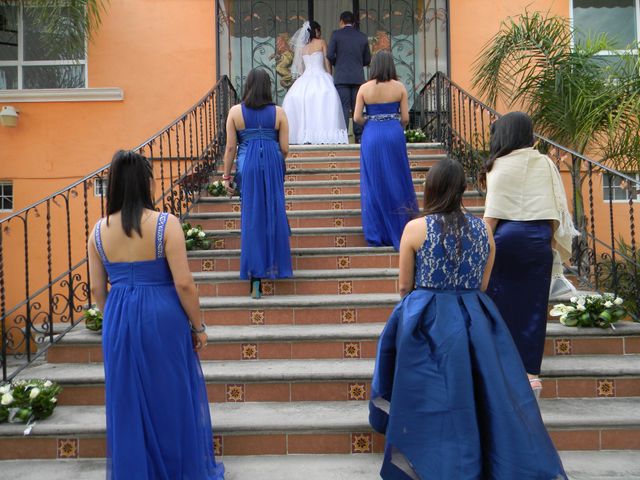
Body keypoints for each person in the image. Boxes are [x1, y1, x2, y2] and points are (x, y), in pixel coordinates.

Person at [369, 158, 567, 480]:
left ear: (430, 189)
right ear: (462, 190)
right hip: (475, 316)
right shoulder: (483, 230)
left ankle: (425, 459)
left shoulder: (415, 229)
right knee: (480, 394)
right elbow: (484, 284)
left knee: (427, 393)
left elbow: (405, 286)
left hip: (427, 317)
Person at [87, 150, 225, 480]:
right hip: (162, 317)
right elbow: (184, 283)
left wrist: (117, 320)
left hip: (119, 316)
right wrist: (199, 326)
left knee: (128, 401)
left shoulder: (97, 232)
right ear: (146, 182)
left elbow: (96, 291)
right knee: (170, 396)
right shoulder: (166, 224)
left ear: (116, 185)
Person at [483, 111, 579, 399]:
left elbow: (491, 219)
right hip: (538, 241)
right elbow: (554, 211)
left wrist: (481, 251)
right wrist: (549, 247)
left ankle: (501, 368)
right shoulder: (545, 163)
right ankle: (530, 376)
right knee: (534, 309)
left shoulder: (498, 165)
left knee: (499, 305)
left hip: (506, 241)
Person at [222, 68, 293, 298]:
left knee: (252, 216)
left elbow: (231, 147)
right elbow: (285, 149)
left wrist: (225, 176)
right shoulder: (279, 112)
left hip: (247, 165)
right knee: (273, 210)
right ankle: (276, 265)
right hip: (272, 161)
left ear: (248, 86)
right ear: (268, 87)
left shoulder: (235, 112)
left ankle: (255, 278)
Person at [354, 50, 418, 251]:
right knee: (398, 179)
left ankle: (377, 232)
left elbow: (356, 118)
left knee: (373, 182)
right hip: (393, 133)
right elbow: (406, 118)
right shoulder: (399, 87)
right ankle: (401, 228)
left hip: (372, 135)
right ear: (391, 65)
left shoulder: (364, 88)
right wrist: (393, 124)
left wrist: (371, 123)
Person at [282, 21, 348, 144]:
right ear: (316, 31)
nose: (320, 33)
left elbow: (300, 68)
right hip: (321, 75)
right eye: (319, 30)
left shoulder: (303, 48)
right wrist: (330, 75)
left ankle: (304, 136)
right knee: (323, 103)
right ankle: (325, 136)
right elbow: (327, 60)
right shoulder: (321, 42)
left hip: (305, 77)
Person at [327, 11, 371, 143]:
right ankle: (359, 137)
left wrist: (337, 63)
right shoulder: (362, 37)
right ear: (353, 23)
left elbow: (329, 55)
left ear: (341, 21)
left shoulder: (336, 34)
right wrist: (358, 64)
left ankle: (342, 137)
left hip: (341, 78)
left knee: (343, 108)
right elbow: (367, 59)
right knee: (357, 106)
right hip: (358, 78)